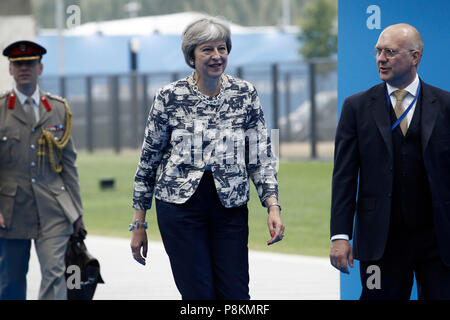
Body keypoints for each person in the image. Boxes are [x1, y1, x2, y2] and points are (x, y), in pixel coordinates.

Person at [130, 17, 285, 300]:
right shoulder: (169, 96)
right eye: (207, 50)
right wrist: (139, 223)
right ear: (191, 56)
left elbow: (261, 154)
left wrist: (272, 206)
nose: (217, 56)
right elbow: (149, 160)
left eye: (222, 48)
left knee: (236, 295)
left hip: (230, 205)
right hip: (179, 208)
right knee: (198, 294)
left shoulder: (245, 93)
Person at [330, 23, 450, 299]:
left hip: (438, 241)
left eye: (390, 52)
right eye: (378, 52)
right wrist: (339, 235)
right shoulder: (356, 107)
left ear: (415, 57)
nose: (381, 59)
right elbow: (344, 177)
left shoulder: (445, 105)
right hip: (380, 241)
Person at [0, 40, 84, 300]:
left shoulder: (58, 109)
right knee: (10, 279)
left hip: (54, 207)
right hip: (11, 210)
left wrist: (77, 213)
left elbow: (69, 164)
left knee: (55, 273)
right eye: (19, 64)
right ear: (11, 70)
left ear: (40, 68)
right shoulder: (1, 110)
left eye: (30, 64)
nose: (24, 68)